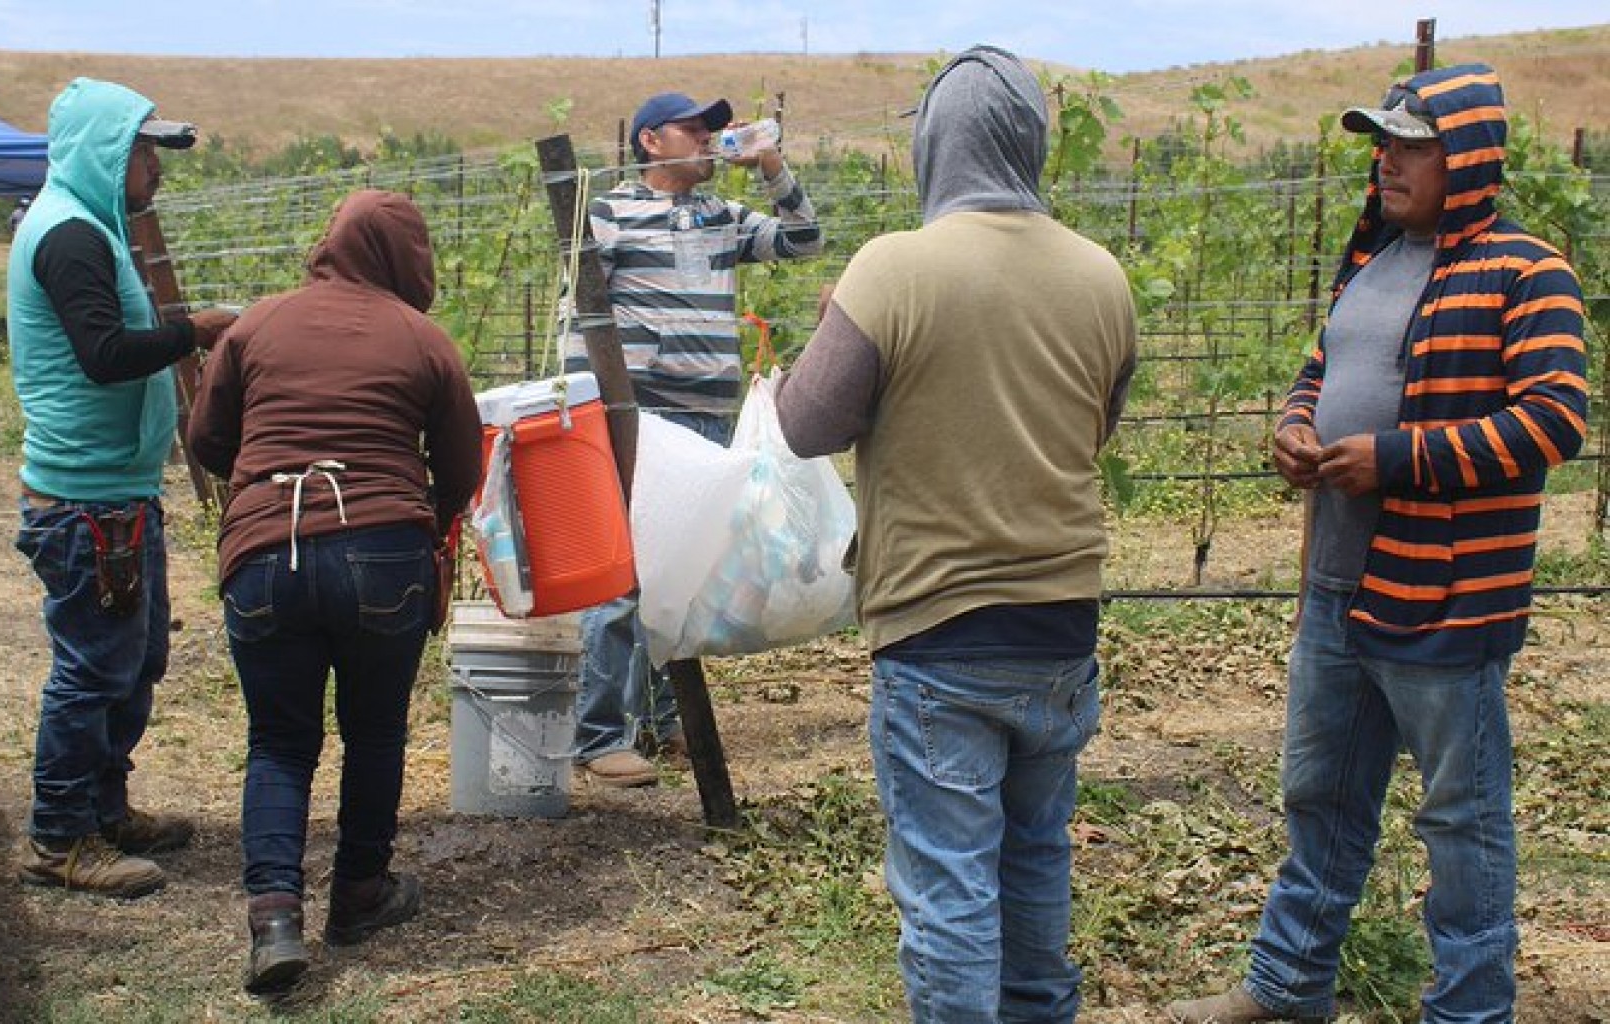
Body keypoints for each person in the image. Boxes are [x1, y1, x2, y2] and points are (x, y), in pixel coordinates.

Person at [1166, 63, 1588, 1024]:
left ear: (1465, 158)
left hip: (1443, 600)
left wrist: (1397, 458)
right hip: (1336, 589)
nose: (1386, 162)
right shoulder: (1370, 264)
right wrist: (1293, 426)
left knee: (1460, 818)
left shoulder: (1527, 274)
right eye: (1382, 144)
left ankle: (1469, 1008)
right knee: (1319, 794)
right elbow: (1319, 372)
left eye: (1409, 146)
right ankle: (1287, 987)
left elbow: (1554, 420)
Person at [776, 46, 1138, 1024]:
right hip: (1061, 627)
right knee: (1035, 859)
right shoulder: (1101, 276)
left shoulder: (892, 268)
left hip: (938, 631)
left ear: (932, 144)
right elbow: (1093, 426)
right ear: (1029, 141)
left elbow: (805, 427)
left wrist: (826, 338)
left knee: (948, 892)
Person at [187, 189, 483, 994]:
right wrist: (425, 521)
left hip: (264, 550)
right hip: (382, 552)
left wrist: (265, 484)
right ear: (407, 258)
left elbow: (207, 440)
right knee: (375, 732)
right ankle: (358, 894)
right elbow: (462, 468)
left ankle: (275, 921)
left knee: (278, 743)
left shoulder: (258, 323)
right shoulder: (422, 338)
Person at [8, 77, 236, 899]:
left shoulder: (91, 225)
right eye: (143, 151)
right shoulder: (69, 234)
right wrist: (193, 331)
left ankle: (105, 809)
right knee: (93, 670)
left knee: (134, 660)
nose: (155, 167)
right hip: (85, 499)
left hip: (114, 491)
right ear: (105, 152)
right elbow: (104, 355)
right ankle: (58, 837)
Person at [566, 90, 823, 787]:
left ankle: (659, 718)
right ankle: (599, 734)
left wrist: (771, 166)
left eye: (714, 131)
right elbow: (580, 317)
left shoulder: (722, 217)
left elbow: (804, 239)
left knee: (680, 574)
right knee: (624, 573)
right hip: (640, 417)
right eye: (693, 130)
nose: (709, 140)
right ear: (651, 141)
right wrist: (591, 414)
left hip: (706, 415)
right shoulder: (611, 212)